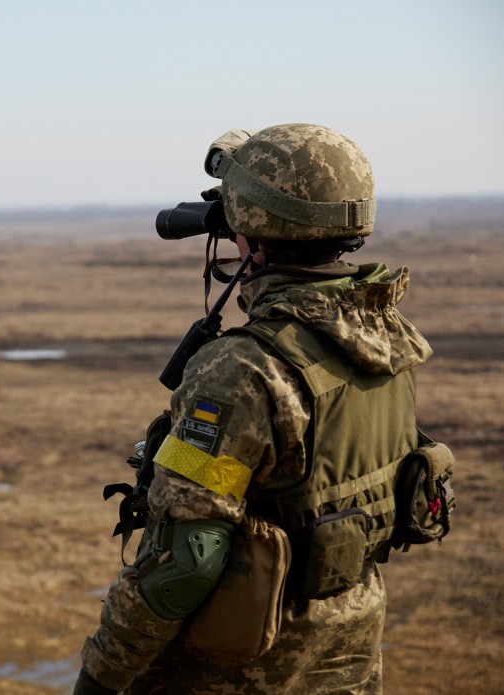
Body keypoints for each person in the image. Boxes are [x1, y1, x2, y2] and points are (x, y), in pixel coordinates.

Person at [73, 123, 450, 694]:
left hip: (237, 672)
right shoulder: (384, 337)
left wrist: (101, 675)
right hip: (346, 659)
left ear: (251, 230)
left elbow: (188, 561)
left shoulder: (244, 370)